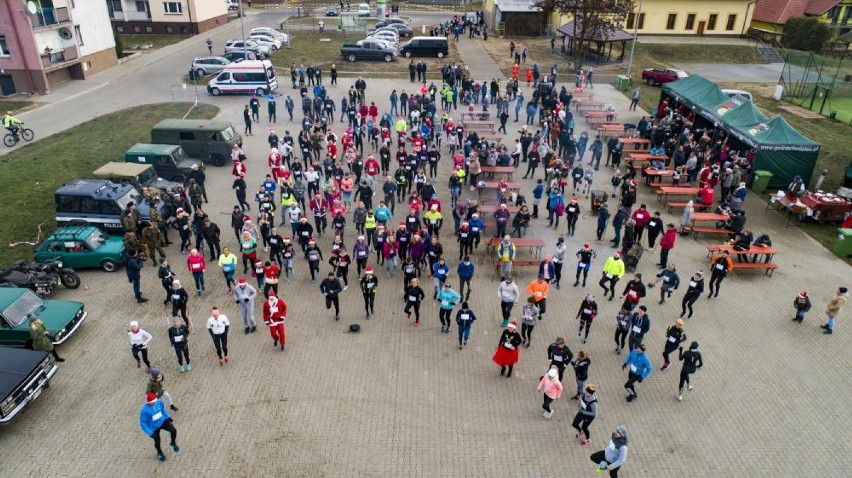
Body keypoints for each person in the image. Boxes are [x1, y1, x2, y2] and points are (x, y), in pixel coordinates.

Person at [140, 392, 180, 461]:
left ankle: (173, 442)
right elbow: (143, 423)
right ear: (148, 402)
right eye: (151, 403)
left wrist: (167, 417)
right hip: (154, 427)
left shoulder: (159, 402)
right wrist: (150, 433)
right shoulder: (144, 410)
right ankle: (159, 453)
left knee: (173, 430)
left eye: (154, 402)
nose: (153, 403)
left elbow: (162, 410)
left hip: (163, 421)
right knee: (157, 440)